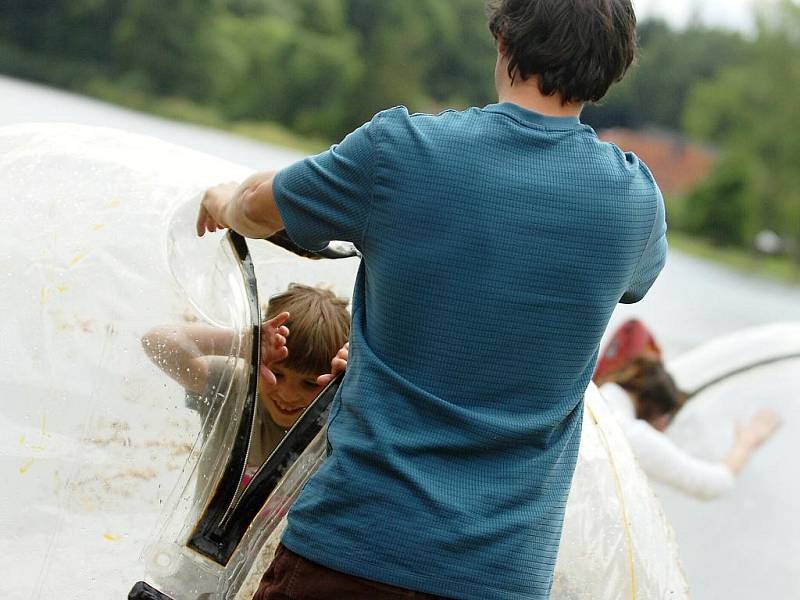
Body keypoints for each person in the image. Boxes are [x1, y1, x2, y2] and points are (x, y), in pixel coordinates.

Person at [196, 0, 666, 598]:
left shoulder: (401, 151)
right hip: (502, 576)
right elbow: (636, 281)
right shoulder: (634, 202)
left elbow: (258, 209)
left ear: (503, 38)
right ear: (613, 65)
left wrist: (222, 199)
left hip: (352, 548)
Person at [141, 283, 350, 483]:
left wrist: (355, 381)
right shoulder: (235, 390)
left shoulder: (337, 422)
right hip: (211, 521)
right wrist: (243, 343)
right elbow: (156, 342)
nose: (287, 394)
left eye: (309, 384)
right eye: (277, 373)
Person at [599, 357, 781, 500]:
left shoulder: (593, 396)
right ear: (658, 411)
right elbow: (712, 484)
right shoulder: (629, 434)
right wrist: (745, 443)